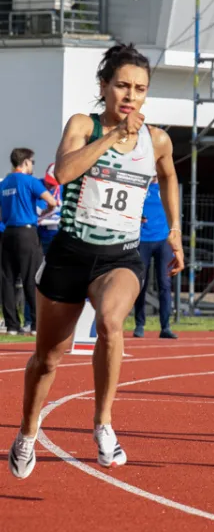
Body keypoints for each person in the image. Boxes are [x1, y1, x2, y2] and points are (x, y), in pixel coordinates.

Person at [8, 44, 184, 480]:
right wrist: (112, 136)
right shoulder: (83, 125)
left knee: (110, 322)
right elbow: (63, 173)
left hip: (120, 256)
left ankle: (103, 423)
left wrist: (176, 230)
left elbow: (169, 176)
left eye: (140, 89)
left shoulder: (157, 139)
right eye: (122, 85)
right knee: (48, 357)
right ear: (104, 86)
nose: (130, 95)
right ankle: (28, 432)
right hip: (69, 253)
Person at [1, 148, 57, 335]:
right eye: (32, 162)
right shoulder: (30, 181)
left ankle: (12, 325)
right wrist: (43, 214)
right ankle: (35, 323)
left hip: (8, 232)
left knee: (8, 280)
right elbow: (52, 202)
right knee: (31, 278)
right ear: (25, 162)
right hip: (26, 232)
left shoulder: (5, 182)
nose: (33, 165)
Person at [132, 179, 177, 339]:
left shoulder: (166, 187)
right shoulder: (139, 187)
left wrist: (175, 235)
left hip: (163, 240)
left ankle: (165, 326)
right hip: (143, 240)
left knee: (164, 283)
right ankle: (139, 324)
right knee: (140, 283)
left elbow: (174, 211)